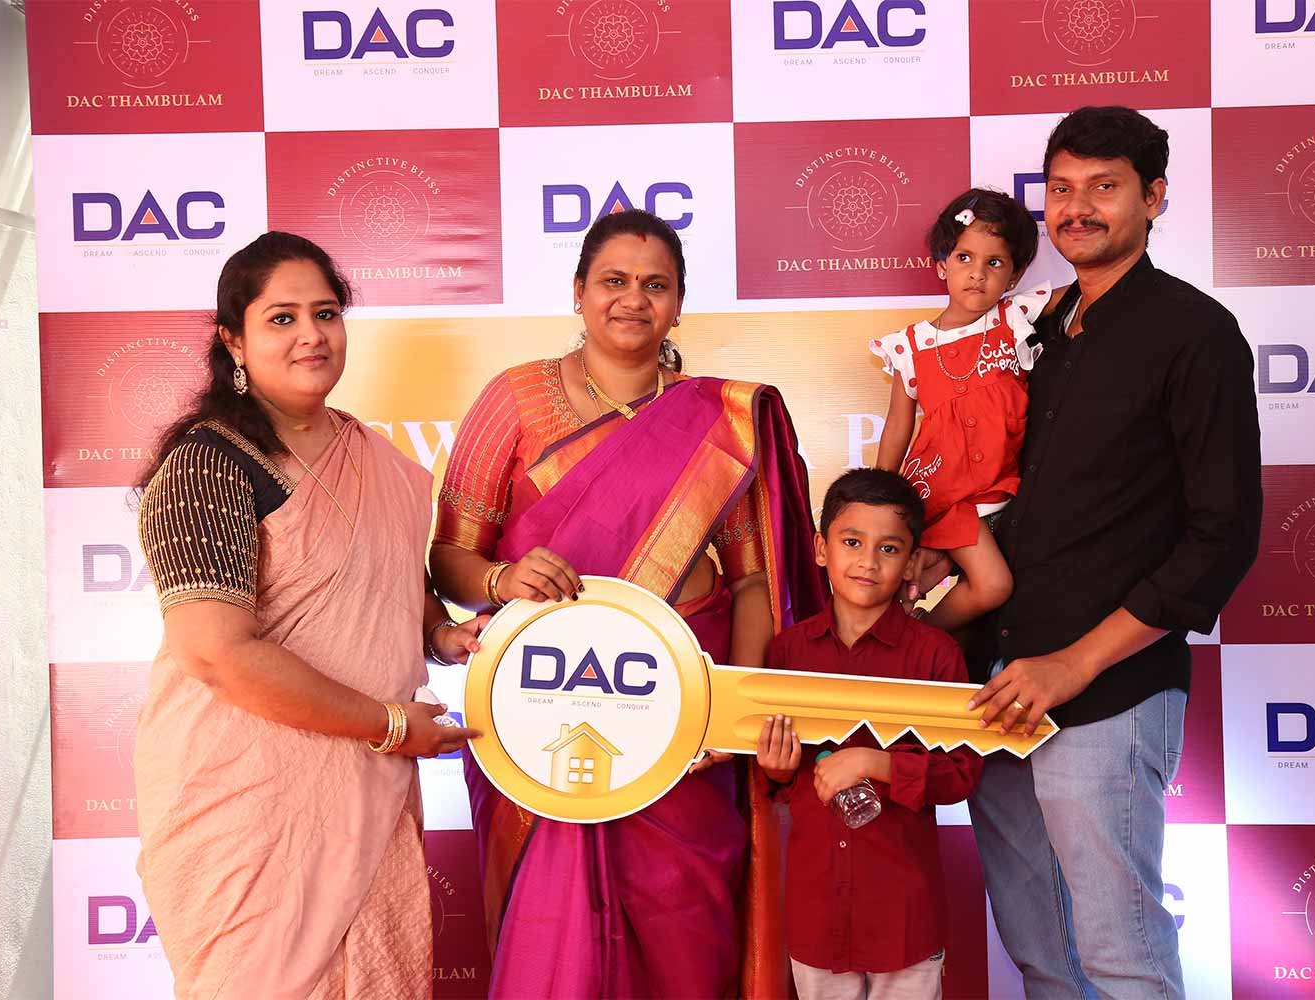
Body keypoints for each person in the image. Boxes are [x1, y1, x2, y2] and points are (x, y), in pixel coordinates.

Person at [429, 209, 826, 998]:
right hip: (540, 717)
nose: (633, 299)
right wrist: (502, 581)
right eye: (613, 280)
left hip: (680, 722)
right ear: (579, 291)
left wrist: (730, 714)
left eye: (655, 285)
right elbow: (450, 558)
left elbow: (754, 582)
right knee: (554, 947)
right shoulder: (513, 401)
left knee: (686, 939)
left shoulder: (722, 423)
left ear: (678, 304)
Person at [133, 232, 487, 1000]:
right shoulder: (207, 465)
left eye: (325, 314)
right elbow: (218, 656)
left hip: (369, 796)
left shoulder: (376, 460)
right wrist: (389, 725)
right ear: (234, 340)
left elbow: (388, 582)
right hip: (248, 806)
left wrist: (440, 631)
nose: (311, 336)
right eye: (282, 318)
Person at [959, 107, 1262, 998]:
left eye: (1104, 187)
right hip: (997, 683)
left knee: (1120, 955)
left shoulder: (1195, 332)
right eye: (1061, 188)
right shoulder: (1040, 327)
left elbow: (1223, 535)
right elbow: (1004, 491)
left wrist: (1075, 664)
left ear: (1154, 198)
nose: (1077, 208)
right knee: (1042, 953)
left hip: (1106, 691)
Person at [756, 469, 982, 1000]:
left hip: (904, 914)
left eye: (889, 549)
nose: (868, 562)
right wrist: (777, 768)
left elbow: (962, 773)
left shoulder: (935, 655)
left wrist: (876, 764)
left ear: (912, 562)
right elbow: (773, 777)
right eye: (852, 542)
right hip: (816, 912)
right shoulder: (787, 653)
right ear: (821, 548)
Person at [871, 189, 1063, 628]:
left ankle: (915, 638)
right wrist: (878, 497)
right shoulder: (911, 345)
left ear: (1014, 275)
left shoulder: (1013, 318)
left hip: (1008, 489)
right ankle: (920, 638)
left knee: (927, 582)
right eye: (964, 258)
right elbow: (898, 425)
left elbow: (1092, 291)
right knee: (991, 585)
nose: (977, 274)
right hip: (947, 492)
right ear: (942, 265)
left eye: (994, 263)